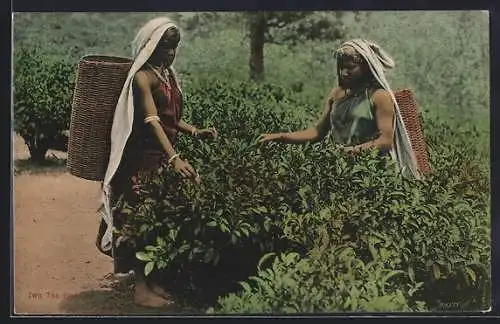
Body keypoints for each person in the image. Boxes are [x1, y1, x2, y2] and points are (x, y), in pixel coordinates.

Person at [95, 17, 218, 308]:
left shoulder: (167, 74)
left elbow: (170, 119)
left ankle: (154, 279)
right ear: (151, 45)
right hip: (142, 161)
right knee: (140, 219)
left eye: (174, 48)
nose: (171, 54)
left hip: (162, 157)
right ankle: (141, 288)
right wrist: (175, 158)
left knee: (160, 218)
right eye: (165, 47)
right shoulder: (143, 78)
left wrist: (194, 131)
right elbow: (151, 120)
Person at [259, 39, 421, 179]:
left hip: (370, 169)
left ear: (367, 67)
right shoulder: (337, 93)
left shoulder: (379, 97)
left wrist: (353, 151)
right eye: (341, 67)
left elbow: (385, 141)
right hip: (337, 165)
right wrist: (281, 137)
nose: (344, 72)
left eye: (350, 68)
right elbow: (317, 132)